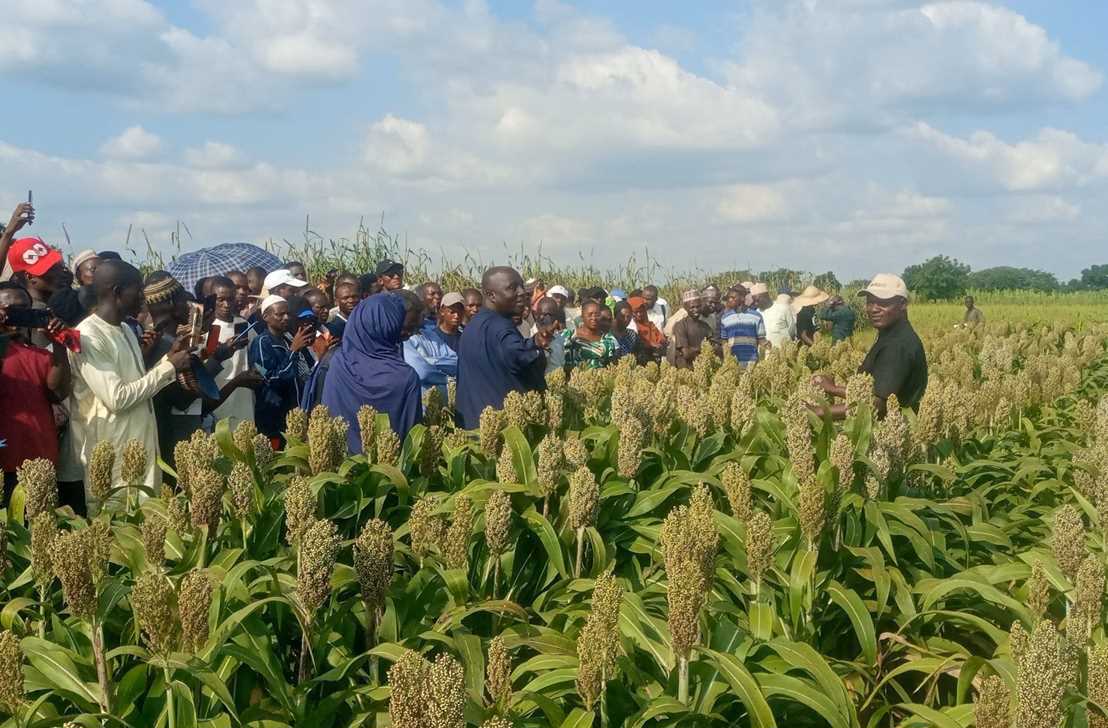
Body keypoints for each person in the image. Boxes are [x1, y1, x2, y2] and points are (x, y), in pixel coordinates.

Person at [66, 260, 192, 503]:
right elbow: (118, 398)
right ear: (117, 292)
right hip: (113, 457)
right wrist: (168, 367)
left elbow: (138, 384)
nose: (143, 298)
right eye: (137, 290)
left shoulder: (124, 329)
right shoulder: (89, 336)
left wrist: (168, 357)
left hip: (138, 449)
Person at [811, 274, 928, 419]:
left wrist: (815, 412)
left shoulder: (897, 346)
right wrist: (833, 389)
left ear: (902, 304)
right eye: (870, 302)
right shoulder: (891, 335)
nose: (873, 309)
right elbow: (874, 390)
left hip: (890, 434)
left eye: (883, 303)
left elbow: (876, 405)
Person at [0, 282, 74, 510]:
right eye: (10, 310)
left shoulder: (41, 354)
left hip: (40, 460)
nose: (16, 316)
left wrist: (59, 344)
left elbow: (57, 392)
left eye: (24, 309)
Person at [323, 291, 424, 453]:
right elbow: (412, 441)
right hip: (389, 472)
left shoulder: (336, 364)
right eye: (405, 328)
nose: (408, 335)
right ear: (387, 326)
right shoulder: (405, 378)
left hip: (340, 470)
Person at [456, 266, 551, 429]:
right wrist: (536, 345)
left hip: (474, 424)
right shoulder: (500, 327)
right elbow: (517, 356)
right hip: (501, 430)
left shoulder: (475, 325)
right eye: (512, 288)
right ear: (491, 295)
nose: (522, 293)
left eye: (521, 286)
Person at [248, 294, 315, 444]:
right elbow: (270, 380)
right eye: (280, 314)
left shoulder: (288, 338)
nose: (286, 318)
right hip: (275, 419)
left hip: (295, 415)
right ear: (266, 316)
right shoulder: (261, 343)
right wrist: (293, 351)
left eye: (288, 314)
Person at [208, 276, 258, 432]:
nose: (226, 305)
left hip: (244, 397)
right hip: (218, 396)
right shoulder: (209, 328)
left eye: (230, 299)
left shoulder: (243, 325)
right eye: (220, 300)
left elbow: (255, 353)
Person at [7, 236, 74, 348]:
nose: (60, 272)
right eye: (50, 269)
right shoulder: (38, 314)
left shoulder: (50, 306)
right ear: (30, 277)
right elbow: (50, 360)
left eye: (56, 266)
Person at [404, 292, 464, 396]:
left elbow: (457, 363)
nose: (422, 316)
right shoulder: (406, 340)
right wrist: (448, 379)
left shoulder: (431, 336)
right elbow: (422, 372)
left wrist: (431, 361)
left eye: (422, 312)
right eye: (418, 313)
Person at [718, 286, 766, 368]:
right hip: (733, 364)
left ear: (742, 298)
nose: (729, 300)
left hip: (752, 363)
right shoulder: (725, 318)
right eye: (729, 298)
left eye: (733, 297)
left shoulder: (756, 316)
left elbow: (761, 339)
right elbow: (724, 342)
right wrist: (727, 360)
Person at [564, 300, 619, 370]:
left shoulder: (609, 339)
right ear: (582, 316)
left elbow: (613, 365)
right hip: (573, 379)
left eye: (597, 315)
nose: (594, 318)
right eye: (590, 315)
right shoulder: (569, 336)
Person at [670, 290, 719, 368]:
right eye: (692, 307)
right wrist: (705, 349)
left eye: (698, 306)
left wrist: (696, 350)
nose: (696, 310)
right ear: (685, 308)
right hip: (686, 370)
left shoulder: (705, 326)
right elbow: (686, 353)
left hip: (704, 367)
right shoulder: (680, 326)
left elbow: (716, 348)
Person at [628, 295, 665, 363]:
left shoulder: (650, 325)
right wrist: (651, 344)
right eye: (636, 312)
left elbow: (660, 338)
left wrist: (660, 343)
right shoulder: (631, 326)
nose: (639, 314)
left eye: (641, 311)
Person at [534, 297, 566, 375]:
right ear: (536, 314)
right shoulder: (530, 336)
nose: (542, 317)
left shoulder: (559, 337)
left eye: (549, 314)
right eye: (541, 314)